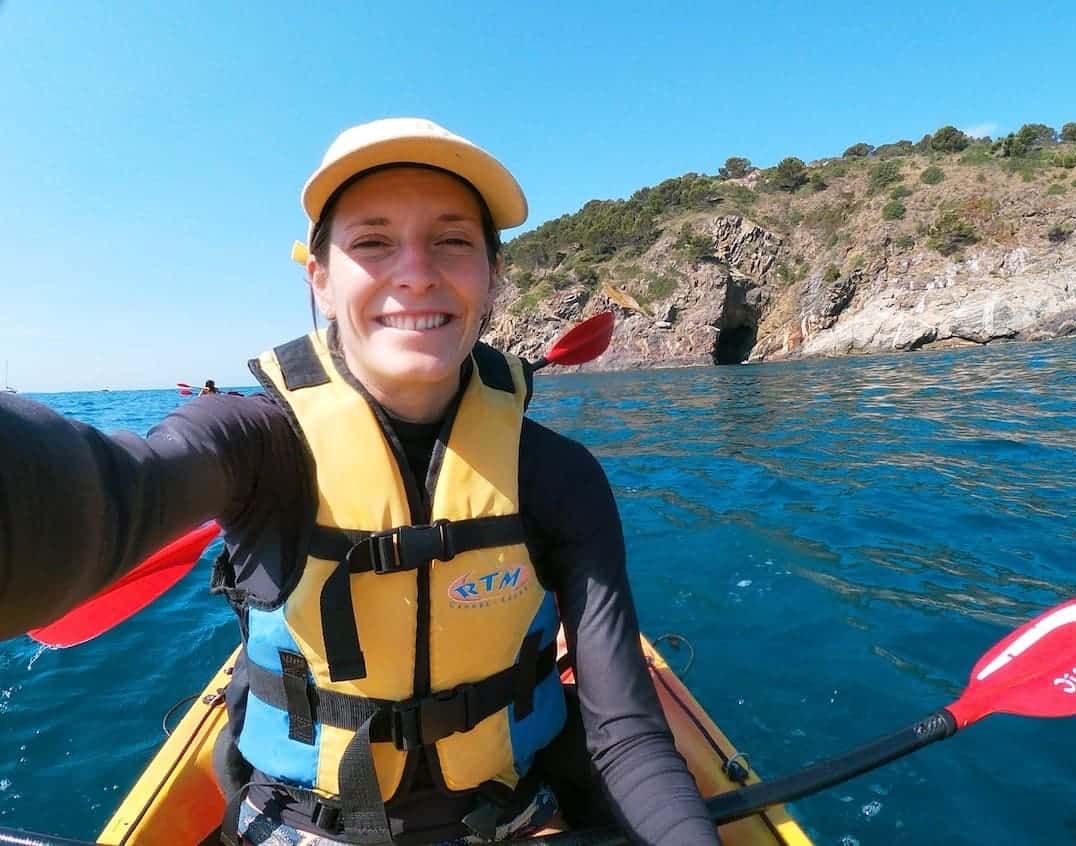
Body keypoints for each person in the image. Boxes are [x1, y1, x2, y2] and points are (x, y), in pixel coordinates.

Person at [0, 118, 720, 846]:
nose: (416, 271)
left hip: (511, 819)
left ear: (492, 277)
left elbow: (626, 736)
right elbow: (110, 488)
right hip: (302, 827)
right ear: (319, 277)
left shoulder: (562, 476)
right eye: (372, 241)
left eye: (452, 240)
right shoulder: (251, 444)